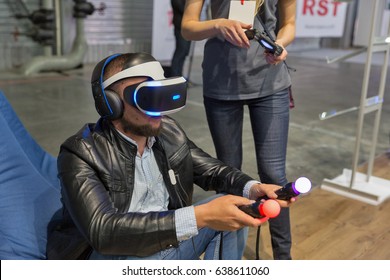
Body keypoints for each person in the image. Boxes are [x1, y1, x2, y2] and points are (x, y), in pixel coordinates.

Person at [46, 52, 294, 260]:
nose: (159, 108)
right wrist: (201, 216)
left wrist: (253, 188)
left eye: (162, 95)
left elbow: (213, 171)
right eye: (146, 97)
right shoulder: (80, 152)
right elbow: (103, 232)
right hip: (110, 256)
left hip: (164, 241)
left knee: (237, 209)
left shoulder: (168, 131)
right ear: (109, 103)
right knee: (216, 213)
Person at [181, 0, 296, 259]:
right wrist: (218, 25)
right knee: (229, 173)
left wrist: (280, 44)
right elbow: (188, 27)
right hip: (221, 81)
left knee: (273, 173)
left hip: (271, 81)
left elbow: (289, 24)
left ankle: (283, 258)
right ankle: (228, 257)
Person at [170, 0, 192, 77]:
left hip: (188, 29)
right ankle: (175, 76)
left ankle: (180, 75)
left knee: (185, 52)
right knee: (180, 52)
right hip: (180, 28)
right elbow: (183, 8)